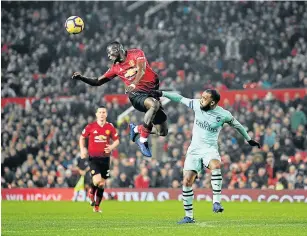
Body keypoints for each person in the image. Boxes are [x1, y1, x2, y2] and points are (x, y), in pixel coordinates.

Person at [151, 89, 261, 223]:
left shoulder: (224, 115)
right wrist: (162, 93)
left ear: (213, 102)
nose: (201, 99)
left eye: (205, 98)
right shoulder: (197, 104)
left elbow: (238, 126)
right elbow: (179, 98)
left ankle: (216, 202)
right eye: (201, 96)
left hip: (210, 149)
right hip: (194, 150)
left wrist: (249, 139)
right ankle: (189, 216)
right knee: (186, 181)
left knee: (216, 165)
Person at [72, 41, 168, 157]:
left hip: (152, 92)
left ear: (118, 50)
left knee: (162, 132)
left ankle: (137, 129)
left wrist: (134, 83)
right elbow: (98, 81)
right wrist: (82, 78)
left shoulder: (136, 53)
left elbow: (141, 69)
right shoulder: (115, 68)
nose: (109, 56)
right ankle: (143, 140)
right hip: (137, 95)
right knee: (154, 105)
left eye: (110, 53)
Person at [79, 106, 120, 213]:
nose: (102, 114)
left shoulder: (110, 127)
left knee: (102, 184)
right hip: (93, 158)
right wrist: (82, 149)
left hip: (105, 159)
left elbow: (116, 141)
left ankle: (97, 206)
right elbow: (82, 137)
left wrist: (111, 147)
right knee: (97, 180)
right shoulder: (90, 126)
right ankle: (91, 193)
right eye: (100, 112)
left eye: (104, 112)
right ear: (96, 114)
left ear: (106, 114)